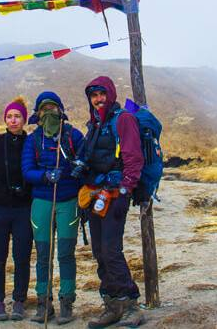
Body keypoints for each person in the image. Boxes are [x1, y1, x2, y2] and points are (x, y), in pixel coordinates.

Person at [76, 76, 145, 328]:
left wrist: (126, 189)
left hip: (115, 195)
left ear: (111, 94)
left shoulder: (123, 119)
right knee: (99, 252)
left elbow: (133, 157)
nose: (98, 99)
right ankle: (112, 304)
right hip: (96, 194)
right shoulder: (94, 124)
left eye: (101, 94)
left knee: (111, 250)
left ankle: (131, 305)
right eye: (93, 95)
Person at [21, 91, 84, 325]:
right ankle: (43, 304)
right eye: (44, 109)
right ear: (38, 114)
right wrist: (46, 176)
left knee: (66, 254)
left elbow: (86, 160)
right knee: (44, 256)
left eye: (53, 108)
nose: (49, 112)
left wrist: (80, 168)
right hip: (42, 202)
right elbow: (27, 171)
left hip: (68, 202)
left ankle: (67, 303)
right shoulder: (33, 139)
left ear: (61, 110)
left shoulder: (73, 136)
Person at [0, 97, 33, 321]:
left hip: (24, 208)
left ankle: (19, 300)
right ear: (5, 119)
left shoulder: (31, 143)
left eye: (17, 117)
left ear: (24, 119)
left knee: (22, 256)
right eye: (10, 116)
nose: (13, 120)